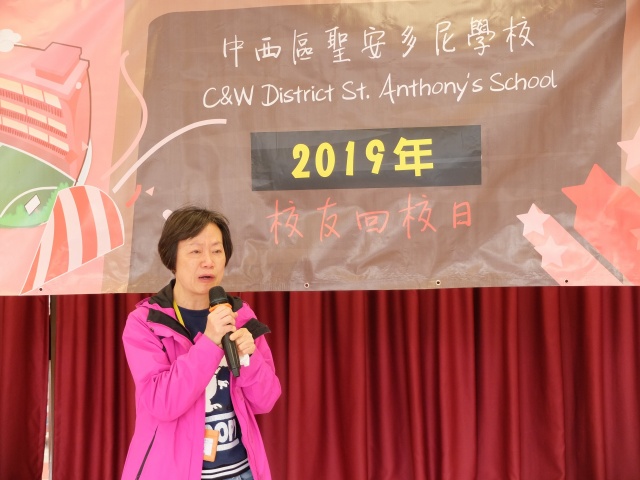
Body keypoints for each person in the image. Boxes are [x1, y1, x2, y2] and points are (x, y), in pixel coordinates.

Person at [121, 206, 281, 480]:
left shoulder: (240, 315)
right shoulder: (145, 323)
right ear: (172, 258)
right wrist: (209, 342)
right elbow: (162, 403)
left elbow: (266, 401)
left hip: (241, 472)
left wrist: (250, 357)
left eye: (217, 251)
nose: (208, 261)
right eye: (195, 251)